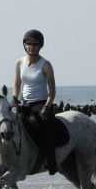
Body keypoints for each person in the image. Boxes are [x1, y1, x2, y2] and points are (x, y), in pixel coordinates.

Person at [13, 28, 58, 174]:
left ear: (40, 46)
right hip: (23, 103)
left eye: (35, 44)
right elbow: (17, 85)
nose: (31, 46)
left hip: (41, 103)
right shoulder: (19, 63)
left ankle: (51, 161)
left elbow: (52, 92)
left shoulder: (46, 65)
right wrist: (15, 99)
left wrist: (46, 107)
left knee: (41, 127)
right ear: (24, 45)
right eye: (29, 43)